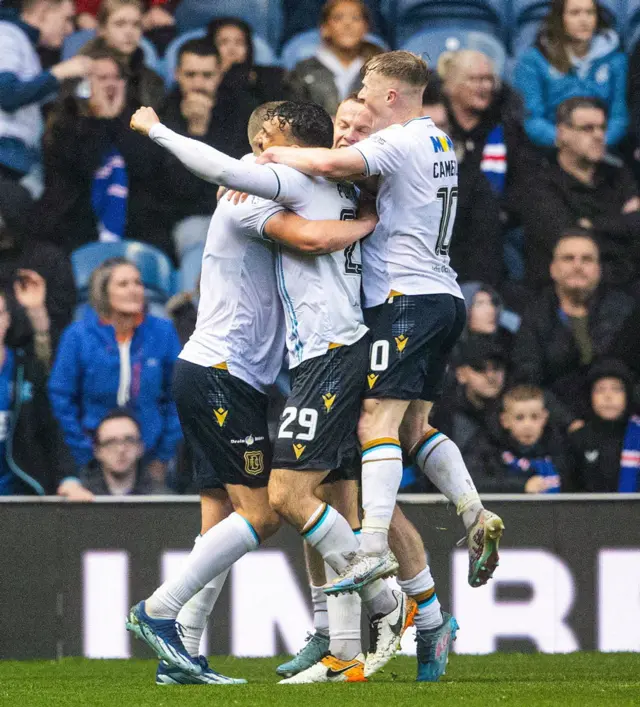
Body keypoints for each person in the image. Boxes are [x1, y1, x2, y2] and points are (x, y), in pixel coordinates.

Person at [125, 100, 392, 684]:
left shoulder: (271, 187)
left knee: (219, 519)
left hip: (219, 373)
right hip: (223, 372)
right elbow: (312, 237)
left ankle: (183, 655)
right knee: (266, 512)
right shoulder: (253, 196)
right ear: (273, 138)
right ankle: (159, 610)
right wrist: (367, 224)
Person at [258, 52, 504, 626]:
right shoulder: (440, 143)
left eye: (367, 88)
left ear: (391, 95)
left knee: (376, 422)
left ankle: (369, 549)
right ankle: (472, 511)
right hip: (444, 297)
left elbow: (332, 162)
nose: (360, 96)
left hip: (402, 301)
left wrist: (272, 153)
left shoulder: (400, 142)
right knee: (417, 427)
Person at [48, 258, 182, 486]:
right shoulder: (78, 336)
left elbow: (178, 397)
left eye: (138, 283)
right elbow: (61, 399)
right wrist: (85, 454)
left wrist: (163, 455)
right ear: (103, 292)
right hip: (91, 457)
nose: (134, 290)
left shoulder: (163, 332)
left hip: (151, 458)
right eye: (123, 284)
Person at [33, 47, 175, 256]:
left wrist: (113, 120)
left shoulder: (139, 120)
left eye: (116, 78)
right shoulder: (63, 123)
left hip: (135, 221)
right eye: (101, 78)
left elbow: (143, 168)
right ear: (82, 85)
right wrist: (101, 121)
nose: (110, 84)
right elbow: (83, 170)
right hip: (76, 220)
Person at [516, 97, 640, 288]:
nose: (599, 135)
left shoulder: (619, 174)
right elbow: (571, 245)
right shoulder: (539, 184)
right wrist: (622, 226)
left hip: (626, 289)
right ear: (562, 133)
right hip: (560, 295)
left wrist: (591, 226)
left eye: (602, 128)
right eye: (587, 129)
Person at [511, 229, 634, 420]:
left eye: (587, 259)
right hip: (556, 426)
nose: (578, 266)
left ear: (598, 269)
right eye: (569, 258)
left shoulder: (625, 310)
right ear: (553, 268)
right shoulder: (535, 315)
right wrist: (569, 424)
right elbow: (528, 379)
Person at [514, 0, 628, 149]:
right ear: (559, 18)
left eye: (590, 12)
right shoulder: (533, 61)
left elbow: (620, 117)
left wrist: (595, 143)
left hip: (602, 149)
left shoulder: (617, 61)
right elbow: (531, 118)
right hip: (551, 151)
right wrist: (569, 142)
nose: (584, 20)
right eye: (575, 13)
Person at [0, 0, 91, 181]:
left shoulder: (22, 41)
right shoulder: (6, 35)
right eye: (66, 19)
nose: (70, 29)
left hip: (17, 160)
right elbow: (6, 94)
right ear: (43, 11)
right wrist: (59, 73)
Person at [0, 287, 73, 496]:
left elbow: (51, 428)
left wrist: (67, 478)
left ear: (8, 320)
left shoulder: (27, 370)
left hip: (22, 490)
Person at [466, 385, 570, 493]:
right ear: (505, 420)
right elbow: (473, 482)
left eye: (535, 417)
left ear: (544, 418)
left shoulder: (560, 446)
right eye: (519, 418)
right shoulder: (489, 447)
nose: (528, 425)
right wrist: (522, 486)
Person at [287, 0, 381, 117]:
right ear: (325, 28)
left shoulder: (380, 71)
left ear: (366, 27)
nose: (347, 24)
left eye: (355, 18)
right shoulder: (303, 71)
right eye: (338, 18)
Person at [568, 359, 640, 492]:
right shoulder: (578, 438)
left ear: (628, 396)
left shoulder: (637, 434)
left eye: (616, 389)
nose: (608, 396)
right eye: (600, 390)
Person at [80, 0, 165, 109]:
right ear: (102, 29)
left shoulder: (152, 80)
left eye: (136, 25)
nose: (129, 32)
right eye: (120, 24)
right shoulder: (83, 72)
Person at [433, 337, 507, 459]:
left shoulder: (516, 406)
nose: (491, 376)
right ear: (461, 374)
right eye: (479, 368)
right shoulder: (446, 415)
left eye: (497, 367)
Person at [207, 16, 287, 111]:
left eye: (239, 42)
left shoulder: (268, 78)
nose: (232, 49)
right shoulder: (203, 78)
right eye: (223, 42)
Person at [72, 409, 156, 497]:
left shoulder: (162, 498)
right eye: (110, 442)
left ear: (140, 447)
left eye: (129, 440)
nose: (121, 449)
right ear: (97, 451)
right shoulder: (79, 497)